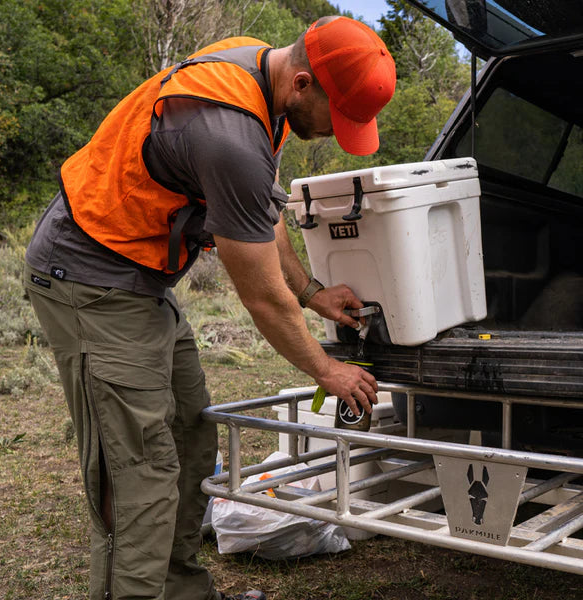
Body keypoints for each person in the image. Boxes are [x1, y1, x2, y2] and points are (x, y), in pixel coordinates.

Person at [24, 15, 396, 600]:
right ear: (302, 84)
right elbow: (262, 299)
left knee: (191, 436)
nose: (337, 132)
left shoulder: (258, 73)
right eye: (339, 117)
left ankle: (181, 591)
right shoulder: (228, 135)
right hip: (90, 281)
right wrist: (326, 371)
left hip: (140, 283)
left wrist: (311, 292)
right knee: (139, 472)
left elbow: (258, 211)